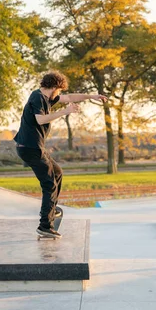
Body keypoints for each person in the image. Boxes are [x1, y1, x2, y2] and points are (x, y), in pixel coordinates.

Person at [14, 70, 107, 238]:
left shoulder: (47, 97)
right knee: (49, 183)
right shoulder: (38, 98)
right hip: (30, 148)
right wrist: (65, 112)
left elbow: (70, 97)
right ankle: (45, 225)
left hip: (34, 147)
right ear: (55, 87)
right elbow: (40, 119)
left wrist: (91, 96)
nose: (60, 94)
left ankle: (50, 210)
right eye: (60, 90)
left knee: (57, 173)